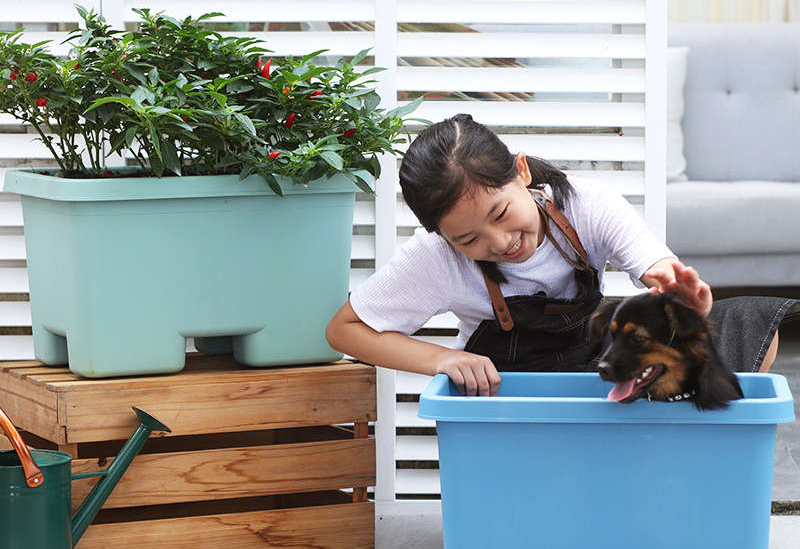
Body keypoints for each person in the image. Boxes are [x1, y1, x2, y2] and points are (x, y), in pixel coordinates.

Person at [327, 114, 796, 396]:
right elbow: (344, 330)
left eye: (501, 212)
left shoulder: (587, 204)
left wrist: (681, 299)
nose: (497, 241)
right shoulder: (435, 257)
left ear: (522, 173)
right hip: (511, 391)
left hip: (597, 367)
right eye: (467, 240)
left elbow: (654, 268)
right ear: (440, 236)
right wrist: (440, 360)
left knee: (751, 325)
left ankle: (686, 460)